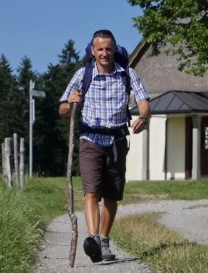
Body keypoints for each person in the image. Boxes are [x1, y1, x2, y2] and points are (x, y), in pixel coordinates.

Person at [59, 29, 150, 263]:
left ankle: (104, 238)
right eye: (99, 49)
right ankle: (94, 240)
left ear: (114, 49)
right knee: (91, 191)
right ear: (93, 50)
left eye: (108, 49)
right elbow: (62, 108)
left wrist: (143, 116)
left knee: (112, 195)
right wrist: (70, 102)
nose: (104, 53)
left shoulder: (127, 74)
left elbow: (143, 100)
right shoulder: (83, 74)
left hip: (117, 141)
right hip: (90, 140)